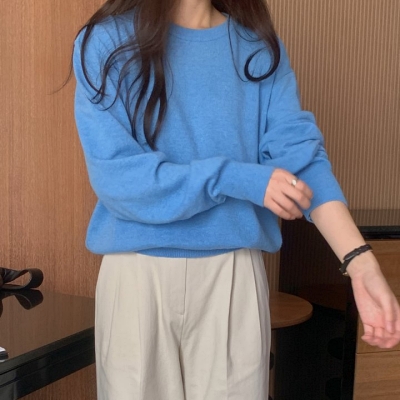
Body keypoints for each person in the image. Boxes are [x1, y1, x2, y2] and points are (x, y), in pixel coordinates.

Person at [71, 0, 400, 399]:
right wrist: (236, 178)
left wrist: (361, 264)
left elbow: (300, 163)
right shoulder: (107, 41)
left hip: (234, 277)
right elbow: (118, 179)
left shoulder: (257, 47)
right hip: (136, 276)